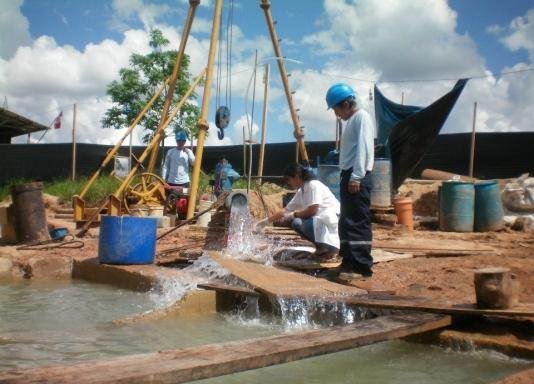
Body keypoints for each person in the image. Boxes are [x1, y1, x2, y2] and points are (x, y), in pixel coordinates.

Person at [325, 83, 375, 279]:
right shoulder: (352, 120)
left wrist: (356, 176)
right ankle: (348, 263)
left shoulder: (362, 118)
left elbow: (364, 149)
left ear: (345, 104)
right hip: (349, 175)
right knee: (346, 222)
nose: (337, 114)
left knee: (357, 223)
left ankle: (361, 268)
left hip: (357, 177)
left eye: (336, 109)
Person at [265, 163, 340, 260]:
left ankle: (332, 250)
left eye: (288, 179)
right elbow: (286, 210)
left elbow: (313, 210)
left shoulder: (313, 185)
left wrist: (295, 214)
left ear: (296, 177)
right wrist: (265, 221)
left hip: (332, 219)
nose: (288, 183)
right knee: (297, 223)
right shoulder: (302, 190)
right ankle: (322, 248)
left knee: (302, 223)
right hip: (320, 220)